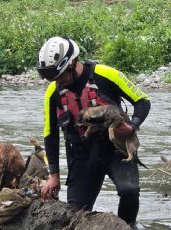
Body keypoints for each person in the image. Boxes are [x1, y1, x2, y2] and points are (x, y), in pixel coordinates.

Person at [36, 36, 150, 225]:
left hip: (117, 150)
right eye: (52, 78)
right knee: (74, 214)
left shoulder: (106, 74)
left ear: (72, 63)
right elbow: (51, 135)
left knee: (129, 191)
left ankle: (127, 226)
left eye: (60, 76)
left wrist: (132, 126)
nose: (58, 82)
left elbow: (143, 101)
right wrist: (53, 175)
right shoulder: (52, 92)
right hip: (82, 156)